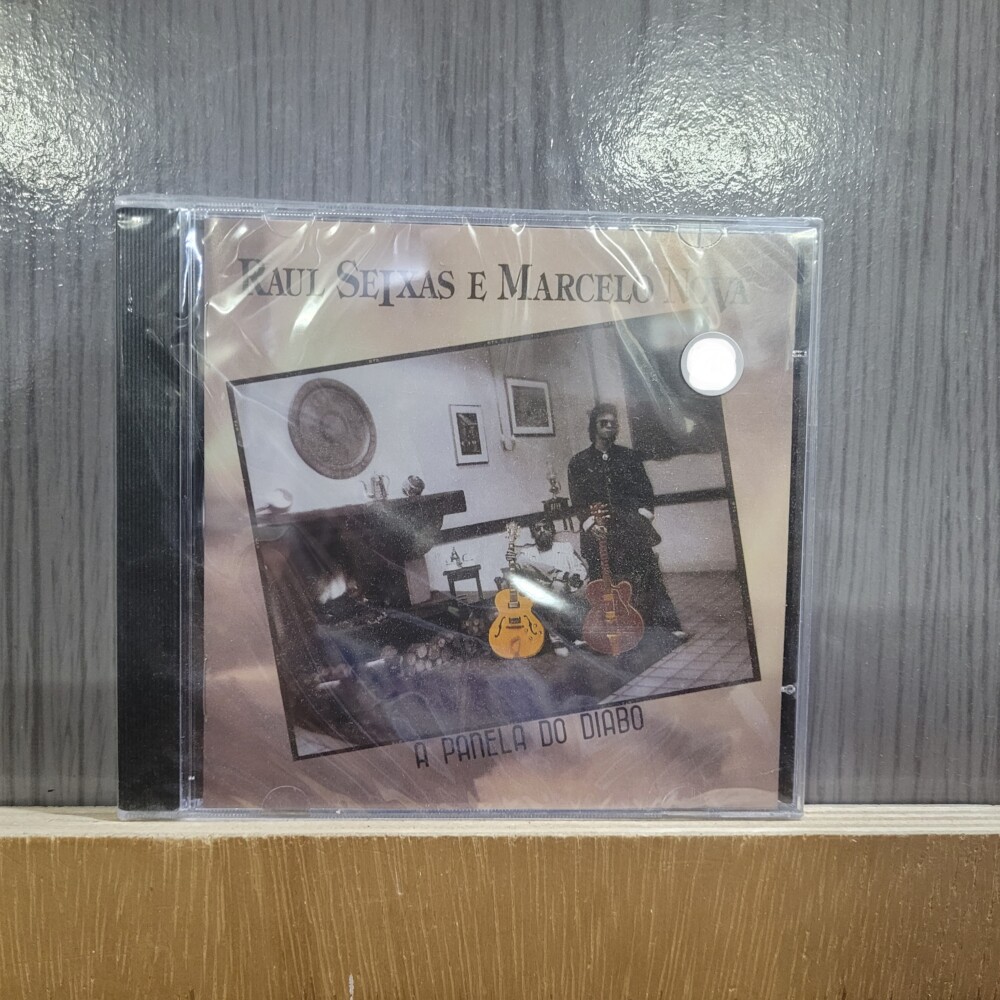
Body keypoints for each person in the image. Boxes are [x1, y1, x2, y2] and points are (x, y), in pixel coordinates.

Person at [567, 403, 685, 638]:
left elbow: (646, 494)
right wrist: (591, 525)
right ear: (593, 427)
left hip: (631, 530)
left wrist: (639, 519)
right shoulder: (578, 462)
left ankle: (664, 626)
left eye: (613, 423)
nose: (609, 427)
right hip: (598, 534)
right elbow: (578, 501)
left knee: (648, 577)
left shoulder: (630, 457)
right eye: (603, 423)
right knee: (603, 583)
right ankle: (608, 628)